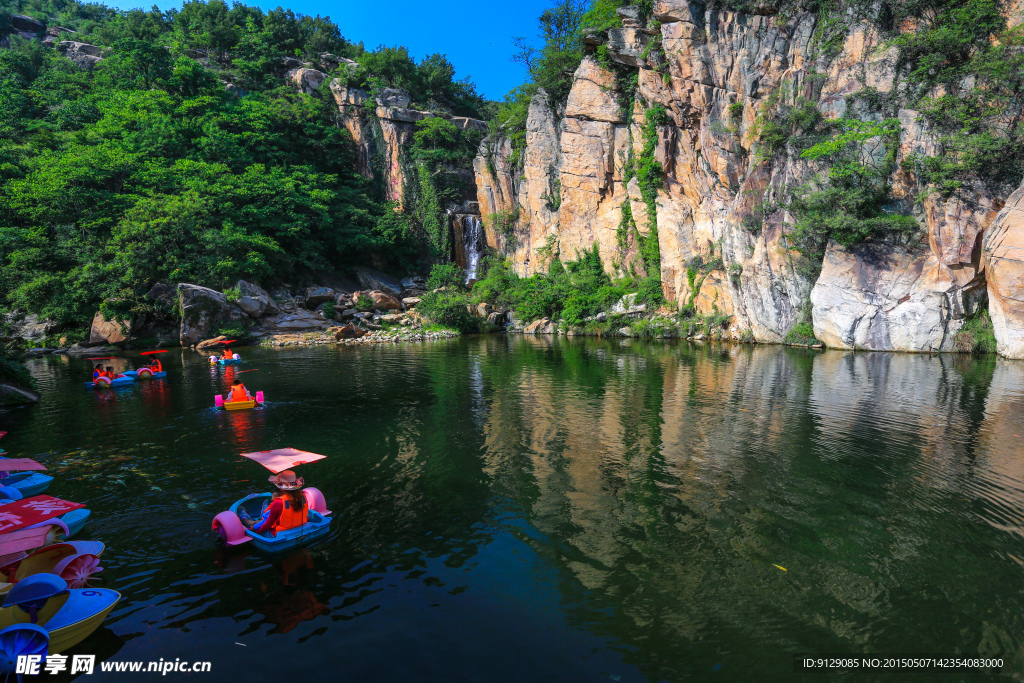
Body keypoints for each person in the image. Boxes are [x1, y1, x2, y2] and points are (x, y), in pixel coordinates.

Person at [240, 471, 308, 536]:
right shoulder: (303, 496)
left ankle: (243, 518)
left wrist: (257, 532)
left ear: (281, 488)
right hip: (300, 527)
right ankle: (249, 517)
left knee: (259, 522)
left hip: (279, 533)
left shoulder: (279, 502)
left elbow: (268, 524)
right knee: (260, 521)